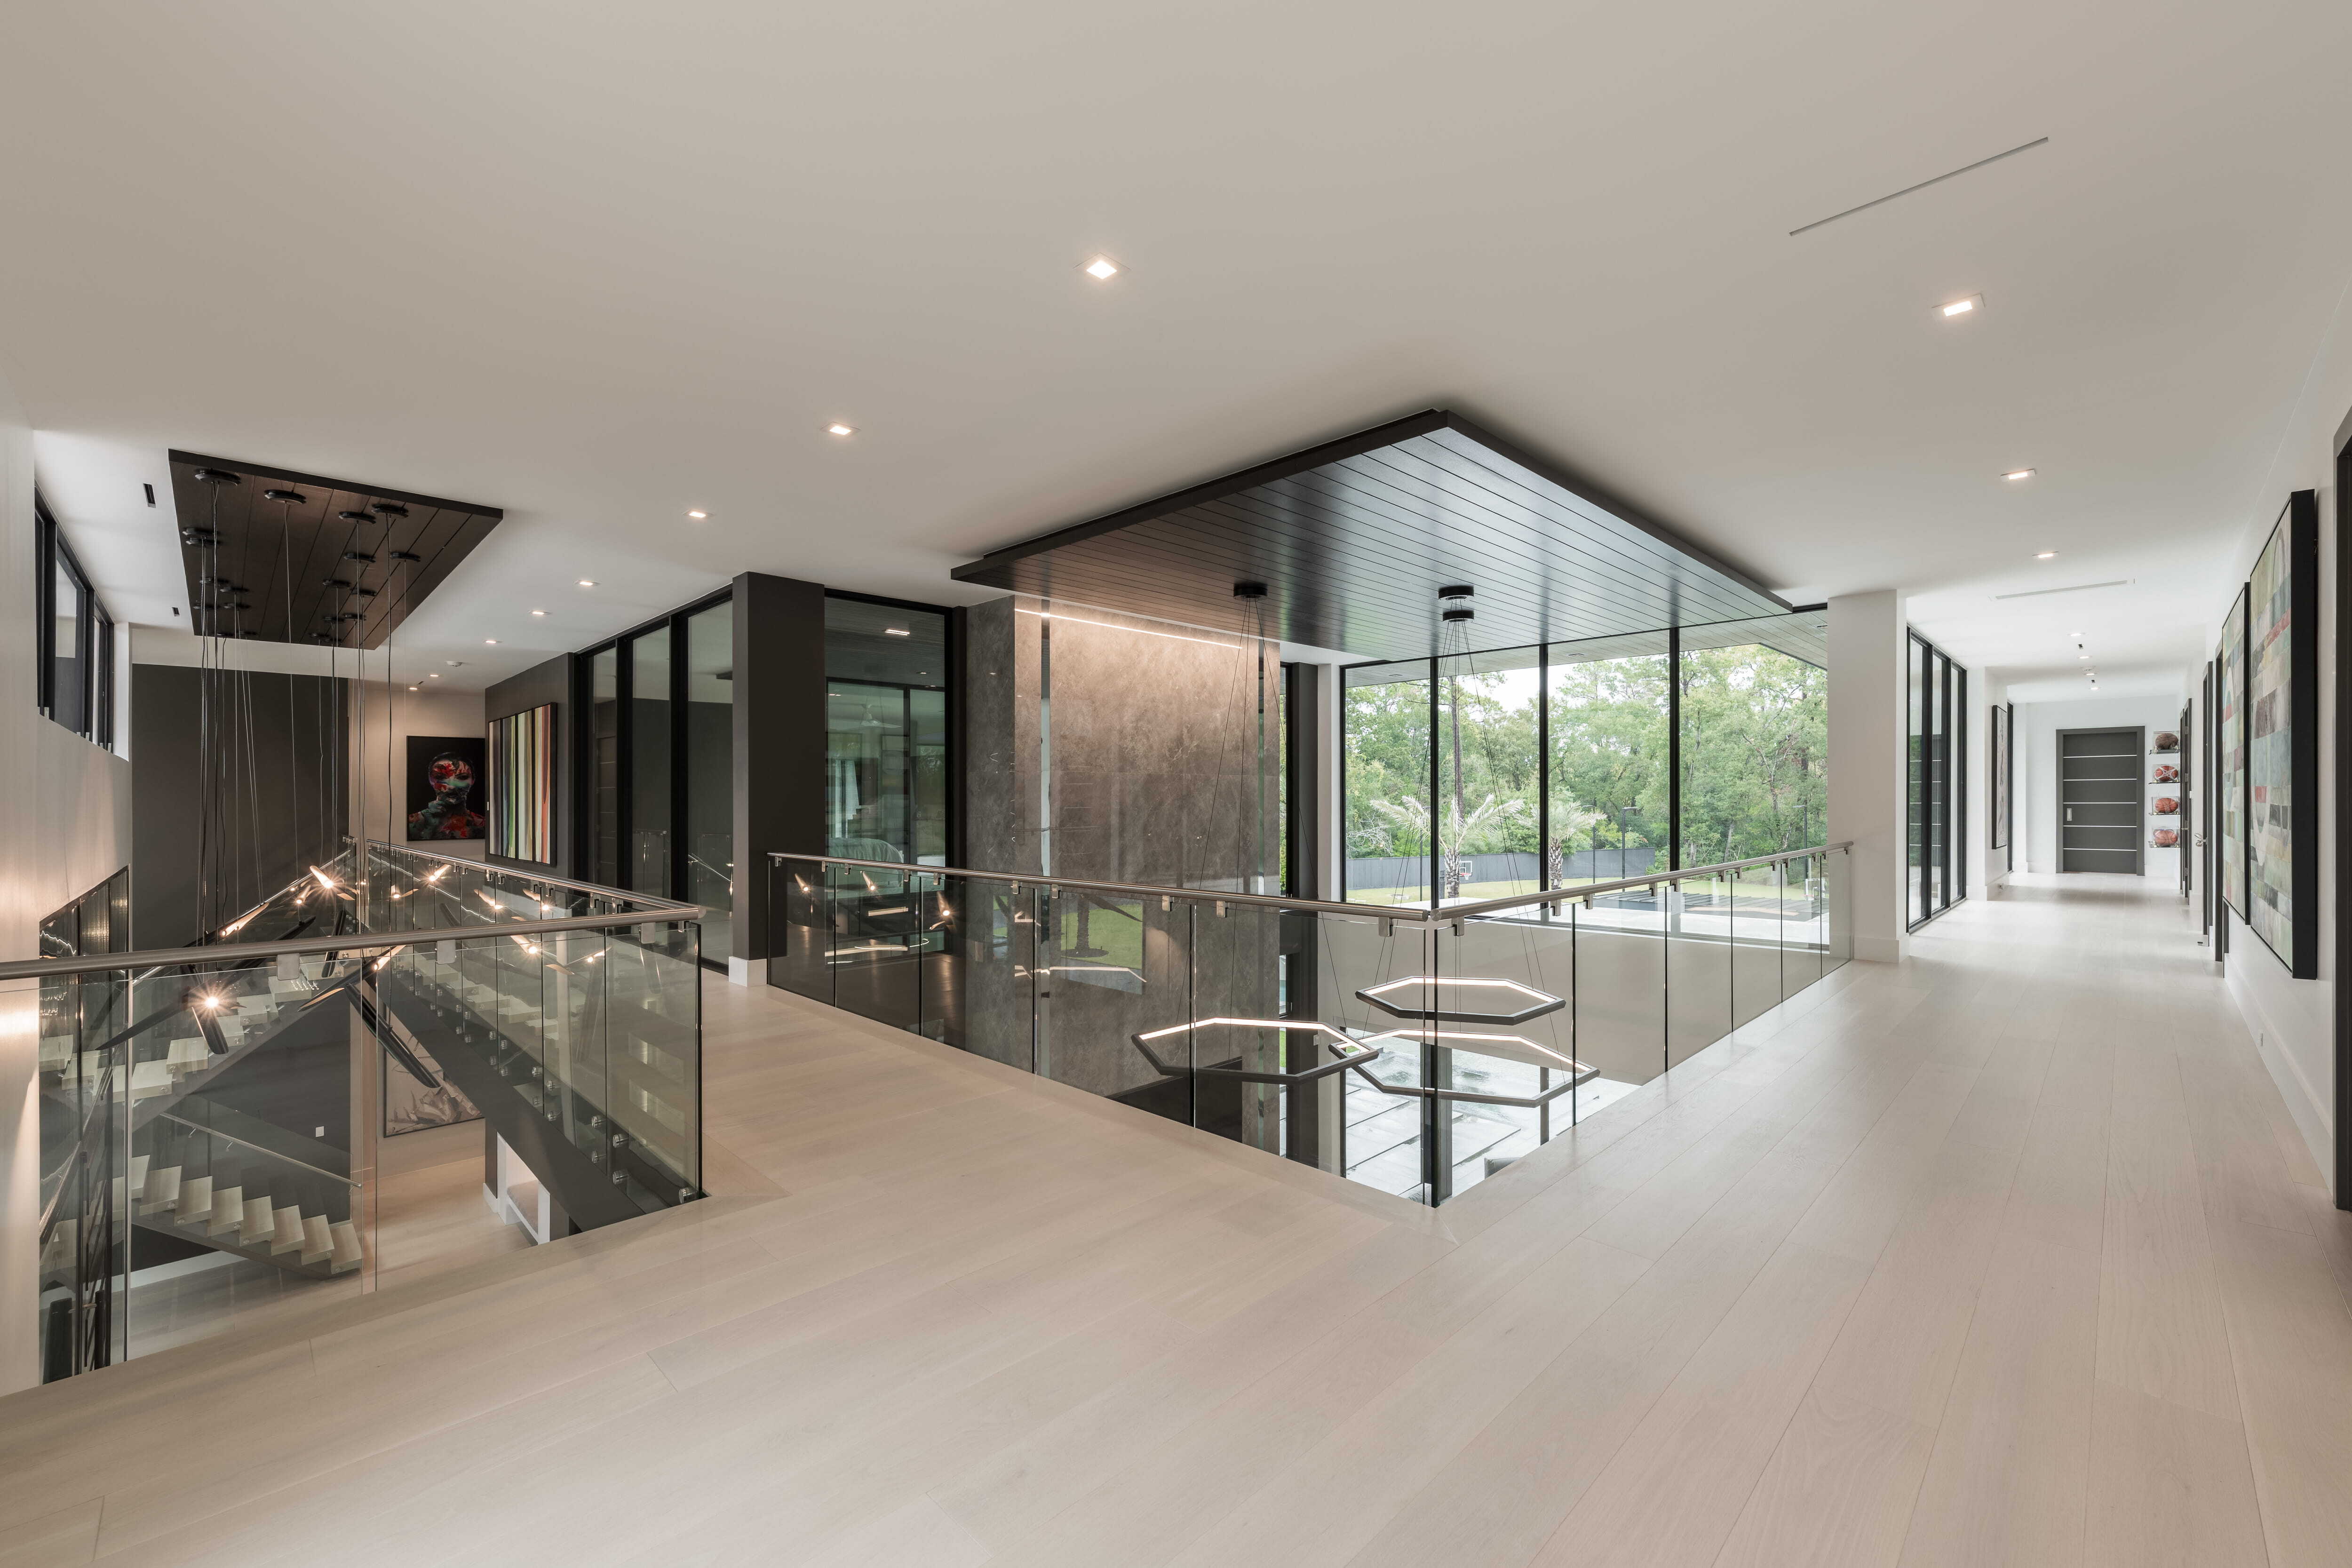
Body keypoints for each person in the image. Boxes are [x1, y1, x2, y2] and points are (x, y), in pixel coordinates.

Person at [409, 751, 486, 840]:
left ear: (473, 781)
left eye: (462, 777)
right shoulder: (411, 824)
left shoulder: (483, 825)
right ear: (430, 780)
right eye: (440, 777)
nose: (452, 787)